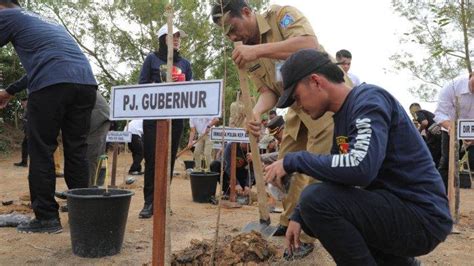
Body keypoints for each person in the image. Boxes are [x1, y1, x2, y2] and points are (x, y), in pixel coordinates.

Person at [264, 49, 452, 264]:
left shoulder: (368, 101)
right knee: (310, 208)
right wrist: (298, 215)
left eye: (296, 98)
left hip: (421, 216)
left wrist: (294, 160)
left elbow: (360, 167)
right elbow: (337, 176)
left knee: (315, 201)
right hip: (397, 209)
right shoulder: (343, 117)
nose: (298, 107)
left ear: (316, 81)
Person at [211, 1, 340, 254]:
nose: (231, 36)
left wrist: (259, 50)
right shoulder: (247, 52)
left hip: (324, 97)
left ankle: (304, 234)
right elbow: (268, 91)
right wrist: (257, 113)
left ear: (247, 12)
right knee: (286, 163)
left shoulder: (281, 15)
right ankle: (287, 220)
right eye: (225, 33)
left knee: (314, 164)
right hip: (297, 105)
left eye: (232, 27)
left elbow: (309, 45)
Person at [0, 0, 97, 233]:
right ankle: (82, 214)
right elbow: (49, 64)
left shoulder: (7, 16)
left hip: (52, 85)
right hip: (85, 83)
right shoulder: (42, 21)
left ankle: (46, 218)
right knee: (77, 149)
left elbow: (50, 68)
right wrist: (10, 91)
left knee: (42, 149)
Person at [138, 24, 191, 219]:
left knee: (168, 161)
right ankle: (149, 202)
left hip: (176, 120)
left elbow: (190, 91)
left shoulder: (185, 64)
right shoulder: (152, 59)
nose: (177, 39)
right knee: (152, 159)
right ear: (163, 39)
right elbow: (141, 85)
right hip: (153, 119)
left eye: (179, 36)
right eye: (172, 36)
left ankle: (163, 201)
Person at [434, 72, 474, 191]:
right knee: (447, 161)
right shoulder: (451, 87)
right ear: (471, 74)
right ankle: (440, 194)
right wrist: (451, 128)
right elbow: (439, 114)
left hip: (472, 131)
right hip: (450, 128)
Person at [86, 91, 110, 186]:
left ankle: (87, 192)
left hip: (98, 117)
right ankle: (79, 190)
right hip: (86, 115)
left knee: (91, 156)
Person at [409, 103, 442, 167]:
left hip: (434, 139)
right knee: (438, 160)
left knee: (429, 157)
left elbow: (424, 123)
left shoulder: (417, 113)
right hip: (440, 138)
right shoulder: (429, 114)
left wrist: (419, 131)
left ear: (412, 111)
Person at [14, 97, 28, 167]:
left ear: (26, 102)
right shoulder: (25, 110)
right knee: (25, 145)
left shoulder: (31, 109)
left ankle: (24, 162)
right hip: (28, 131)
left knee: (29, 146)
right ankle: (24, 162)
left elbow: (32, 121)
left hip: (31, 132)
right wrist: (22, 118)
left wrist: (24, 119)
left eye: (23, 104)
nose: (22, 105)